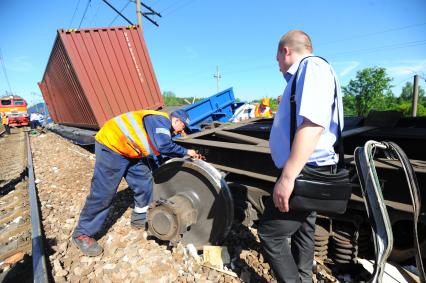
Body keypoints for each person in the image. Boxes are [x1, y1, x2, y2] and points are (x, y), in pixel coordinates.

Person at [258, 30, 343, 282]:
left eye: (277, 60)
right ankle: (304, 277)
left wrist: (287, 176)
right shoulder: (308, 74)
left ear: (286, 51)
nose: (278, 66)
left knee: (270, 234)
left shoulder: (312, 67)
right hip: (309, 168)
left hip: (305, 168)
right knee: (304, 228)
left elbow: (314, 125)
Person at [72, 109, 204, 256]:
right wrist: (187, 152)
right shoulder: (162, 121)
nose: (181, 132)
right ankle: (82, 233)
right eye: (183, 128)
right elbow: (163, 146)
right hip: (112, 145)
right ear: (177, 120)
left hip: (130, 150)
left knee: (144, 181)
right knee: (104, 192)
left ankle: (140, 217)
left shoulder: (161, 124)